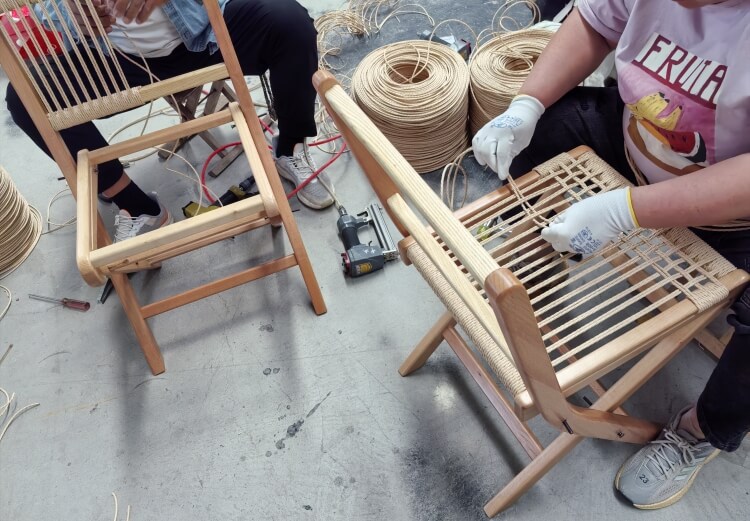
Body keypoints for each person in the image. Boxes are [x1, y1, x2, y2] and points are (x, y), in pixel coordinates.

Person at [472, 0, 750, 510]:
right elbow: (597, 21)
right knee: (550, 127)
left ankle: (702, 430)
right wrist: (526, 106)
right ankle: (532, 286)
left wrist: (626, 210)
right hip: (634, 145)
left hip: (735, 218)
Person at [5, 0, 334, 243]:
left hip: (207, 31)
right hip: (117, 61)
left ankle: (289, 147)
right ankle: (136, 206)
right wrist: (70, 14)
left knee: (290, 24)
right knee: (25, 99)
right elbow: (42, 7)